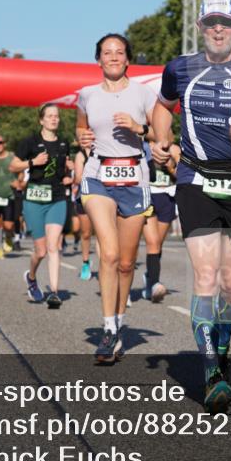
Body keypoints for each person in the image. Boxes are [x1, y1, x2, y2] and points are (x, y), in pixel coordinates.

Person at [153, 0, 231, 414]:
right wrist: (161, 139)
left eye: (226, 23)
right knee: (206, 275)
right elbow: (162, 107)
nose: (218, 29)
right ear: (200, 27)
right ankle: (212, 372)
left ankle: (222, 344)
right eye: (211, 22)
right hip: (195, 178)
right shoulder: (179, 68)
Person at [77, 33, 157, 364]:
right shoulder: (86, 95)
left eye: (119, 52)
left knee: (126, 263)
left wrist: (140, 129)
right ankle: (108, 330)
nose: (112, 57)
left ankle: (119, 324)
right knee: (108, 254)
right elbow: (81, 130)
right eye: (106, 53)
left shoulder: (144, 93)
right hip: (98, 176)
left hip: (134, 179)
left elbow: (160, 135)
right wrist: (81, 138)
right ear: (98, 59)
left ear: (127, 59)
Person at [12, 103, 70, 308]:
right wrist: (32, 162)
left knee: (54, 245)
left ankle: (54, 292)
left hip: (57, 199)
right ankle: (32, 277)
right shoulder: (30, 142)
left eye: (56, 116)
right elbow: (13, 165)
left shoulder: (64, 143)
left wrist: (68, 175)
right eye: (50, 116)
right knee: (41, 251)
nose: (54, 119)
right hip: (34, 200)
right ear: (41, 120)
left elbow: (64, 168)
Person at [142, 140, 180, 303]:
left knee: (159, 244)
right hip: (148, 196)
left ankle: (150, 276)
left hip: (167, 198)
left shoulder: (174, 148)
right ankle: (154, 284)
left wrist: (170, 165)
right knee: (153, 243)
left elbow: (183, 174)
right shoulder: (143, 145)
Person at [72, 146, 94, 280]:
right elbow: (78, 179)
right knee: (86, 233)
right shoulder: (80, 156)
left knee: (102, 233)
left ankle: (106, 263)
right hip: (85, 196)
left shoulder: (105, 148)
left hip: (105, 197)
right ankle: (85, 263)